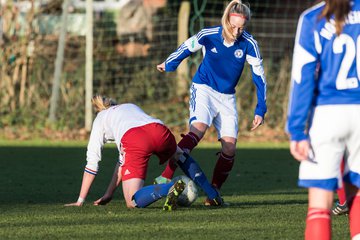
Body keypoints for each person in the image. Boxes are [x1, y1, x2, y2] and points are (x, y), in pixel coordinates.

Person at [155, 0, 267, 205]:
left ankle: (213, 192)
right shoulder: (209, 35)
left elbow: (259, 77)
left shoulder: (249, 44)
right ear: (226, 20)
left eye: (241, 27)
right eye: (233, 26)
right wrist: (169, 63)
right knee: (197, 130)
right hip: (203, 88)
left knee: (230, 148)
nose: (236, 31)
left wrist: (261, 108)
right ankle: (166, 175)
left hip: (227, 97)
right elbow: (186, 47)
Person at [65, 95, 223, 210]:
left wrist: (80, 200)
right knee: (179, 155)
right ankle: (212, 194)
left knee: (132, 201)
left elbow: (92, 163)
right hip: (159, 129)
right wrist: (109, 194)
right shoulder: (128, 107)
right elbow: (121, 164)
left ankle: (168, 188)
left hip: (135, 139)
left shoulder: (100, 119)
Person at [286, 0, 360, 239]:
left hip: (327, 115)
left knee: (319, 206)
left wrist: (296, 129)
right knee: (357, 192)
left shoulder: (312, 18)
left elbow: (302, 77)